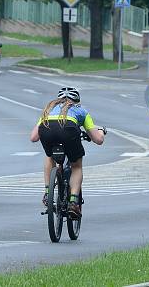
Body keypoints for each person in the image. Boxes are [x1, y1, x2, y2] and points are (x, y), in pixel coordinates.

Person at [29, 87, 105, 218]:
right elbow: (98, 140)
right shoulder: (81, 110)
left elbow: (33, 138)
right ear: (77, 101)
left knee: (49, 156)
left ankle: (48, 192)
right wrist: (101, 132)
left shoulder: (48, 110)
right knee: (76, 165)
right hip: (69, 131)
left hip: (46, 131)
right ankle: (73, 202)